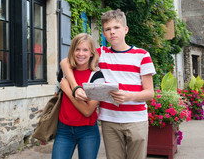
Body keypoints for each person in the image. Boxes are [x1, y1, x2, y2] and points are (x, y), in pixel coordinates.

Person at [60, 9, 156, 159]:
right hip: (110, 120)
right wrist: (75, 87)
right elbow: (65, 61)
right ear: (104, 34)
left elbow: (150, 92)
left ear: (125, 29)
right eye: (107, 29)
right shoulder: (99, 54)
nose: (112, 32)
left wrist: (129, 96)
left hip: (136, 120)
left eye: (116, 28)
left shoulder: (142, 55)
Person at [52, 33, 105, 159]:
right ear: (72, 51)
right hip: (63, 130)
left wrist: (69, 91)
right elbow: (55, 99)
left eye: (85, 50)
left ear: (92, 53)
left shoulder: (97, 77)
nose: (81, 53)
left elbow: (87, 111)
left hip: (88, 132)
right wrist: (47, 129)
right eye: (77, 49)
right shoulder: (65, 73)